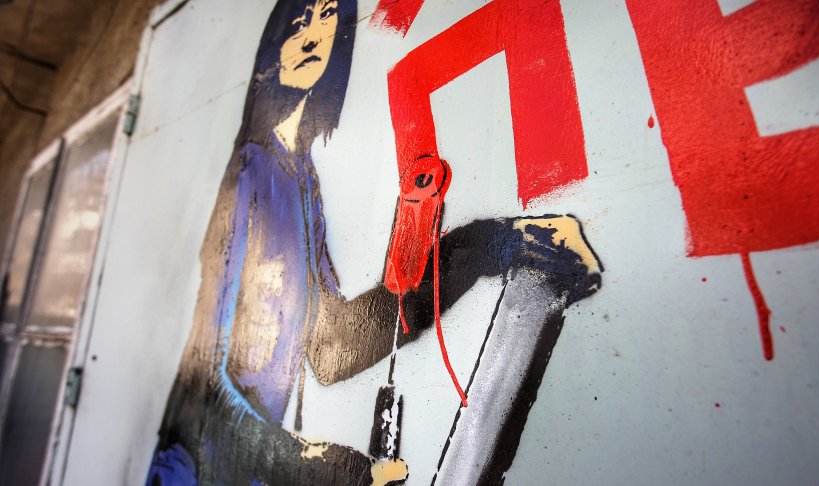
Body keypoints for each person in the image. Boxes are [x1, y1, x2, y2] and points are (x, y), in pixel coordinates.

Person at [146, 1, 601, 484]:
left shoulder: (302, 181)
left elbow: (333, 346)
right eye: (298, 22)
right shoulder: (249, 174)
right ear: (272, 47)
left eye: (327, 17)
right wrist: (337, 472)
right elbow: (209, 390)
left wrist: (493, 244)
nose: (312, 35)